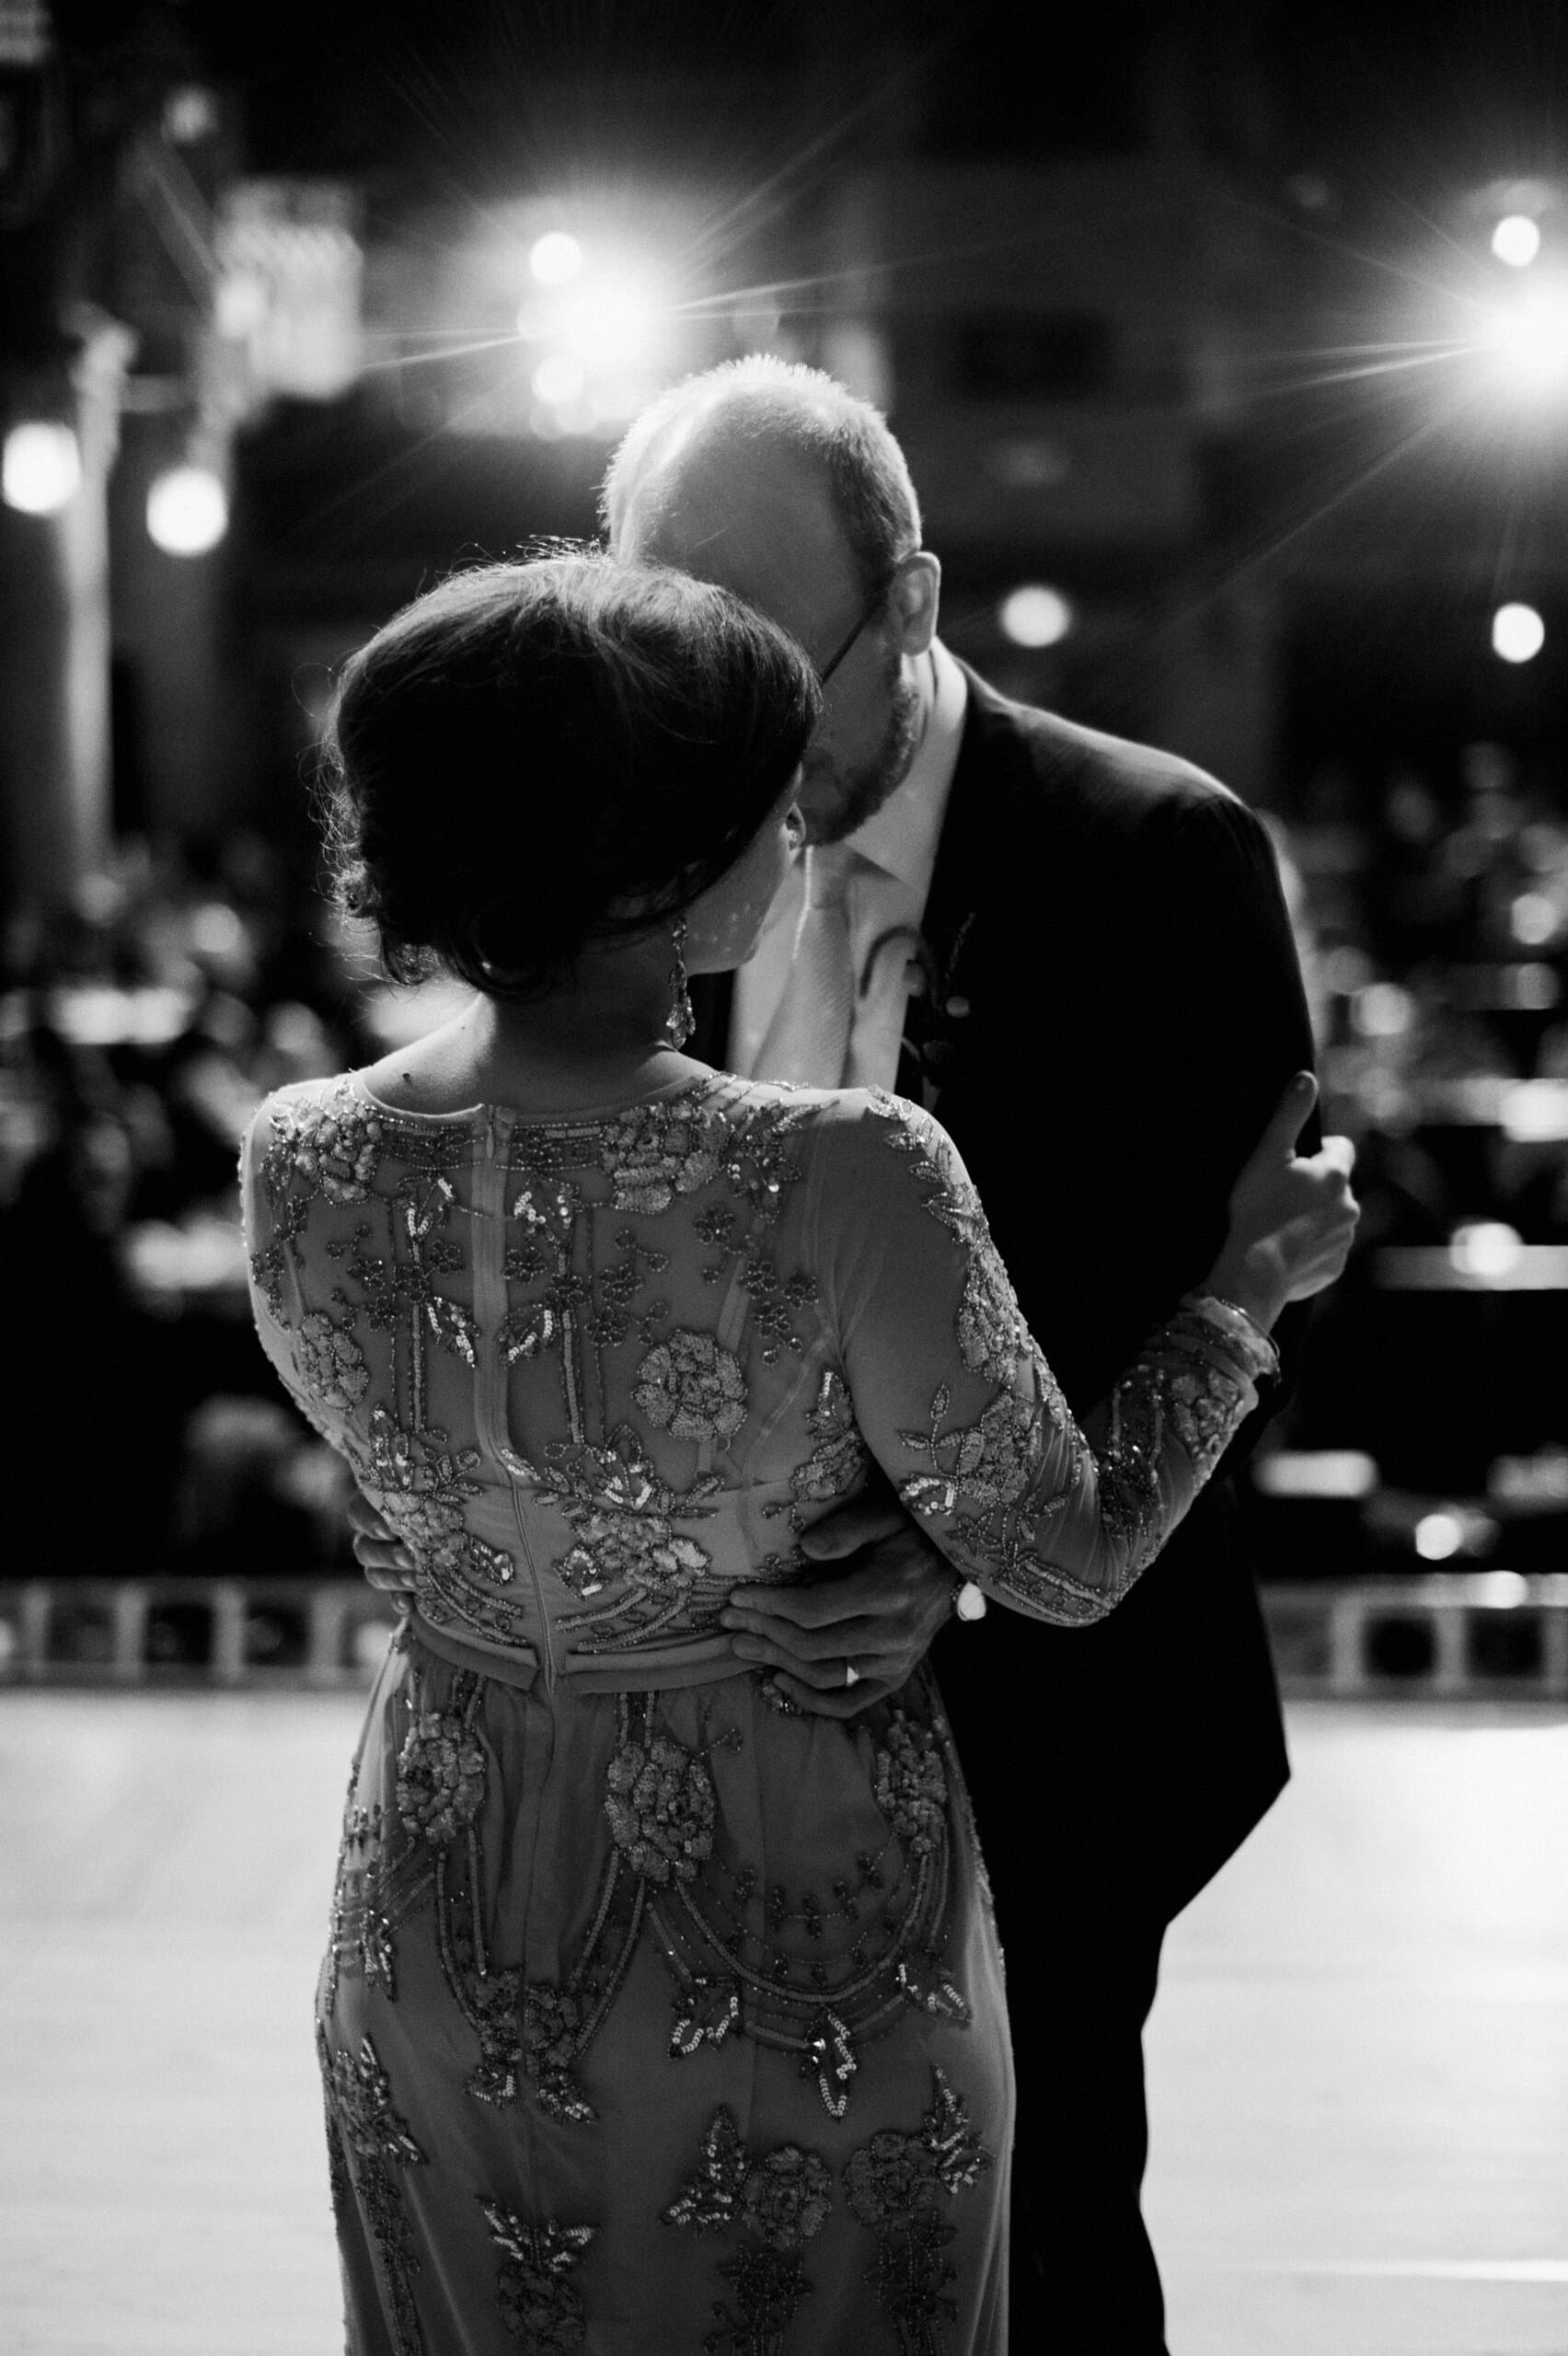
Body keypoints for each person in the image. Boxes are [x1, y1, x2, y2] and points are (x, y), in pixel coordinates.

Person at [254, 549, 1356, 2354]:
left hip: (439, 1922)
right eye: (759, 798)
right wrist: (1244, 1287)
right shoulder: (843, 1168)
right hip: (785, 1934)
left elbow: (429, 1494)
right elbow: (1063, 1555)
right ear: (667, 867)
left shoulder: (302, 1152)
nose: (795, 825)